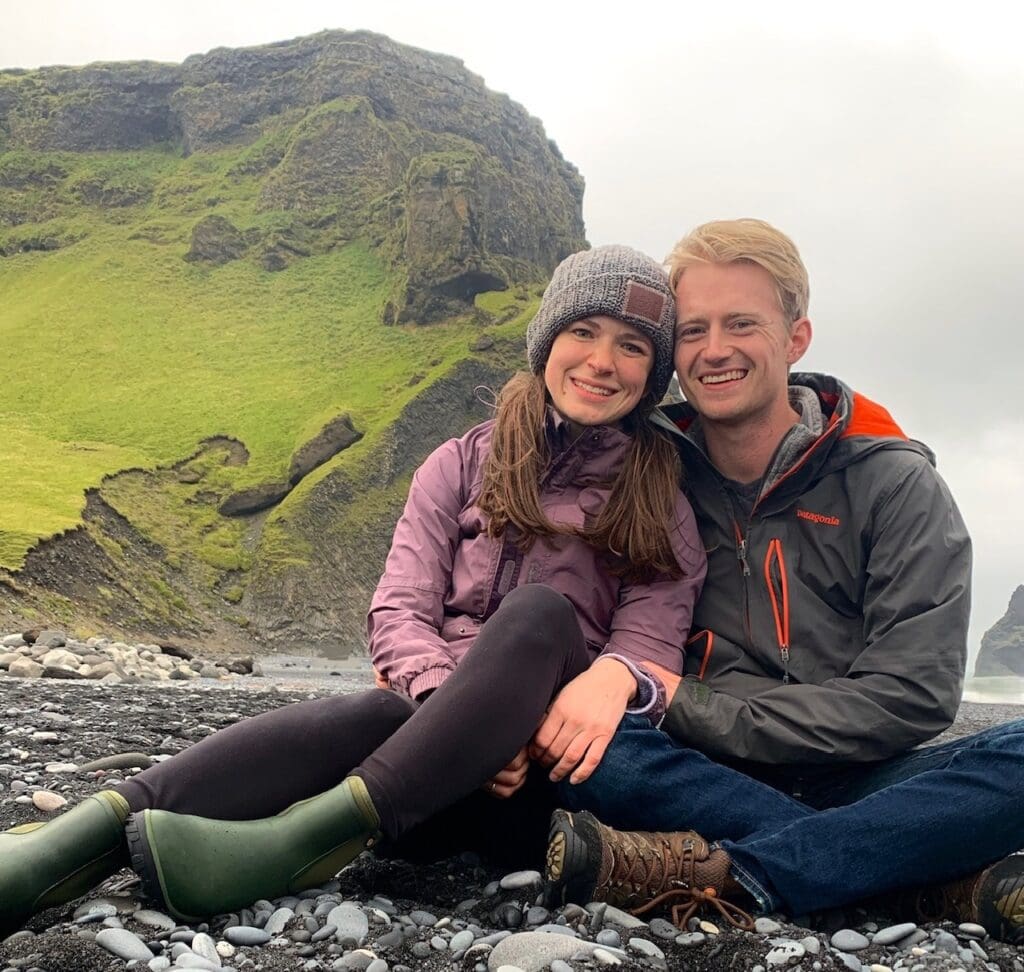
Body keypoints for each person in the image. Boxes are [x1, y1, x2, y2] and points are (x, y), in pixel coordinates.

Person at [0, 245, 706, 938]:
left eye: (633, 346)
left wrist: (520, 726)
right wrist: (454, 715)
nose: (601, 361)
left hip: (531, 794)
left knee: (539, 615)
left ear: (653, 373)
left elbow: (646, 649)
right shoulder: (460, 462)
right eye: (582, 332)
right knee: (373, 710)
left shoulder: (661, 502)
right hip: (417, 769)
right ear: (547, 338)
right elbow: (398, 609)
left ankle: (297, 840)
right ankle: (73, 844)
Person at [543, 219, 1024, 942]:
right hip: (687, 769)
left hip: (861, 775)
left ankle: (731, 874)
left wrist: (689, 702)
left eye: (742, 324)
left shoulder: (893, 482)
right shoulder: (641, 471)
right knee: (590, 748)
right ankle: (917, 876)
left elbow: (914, 697)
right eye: (695, 330)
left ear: (796, 337)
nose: (714, 351)